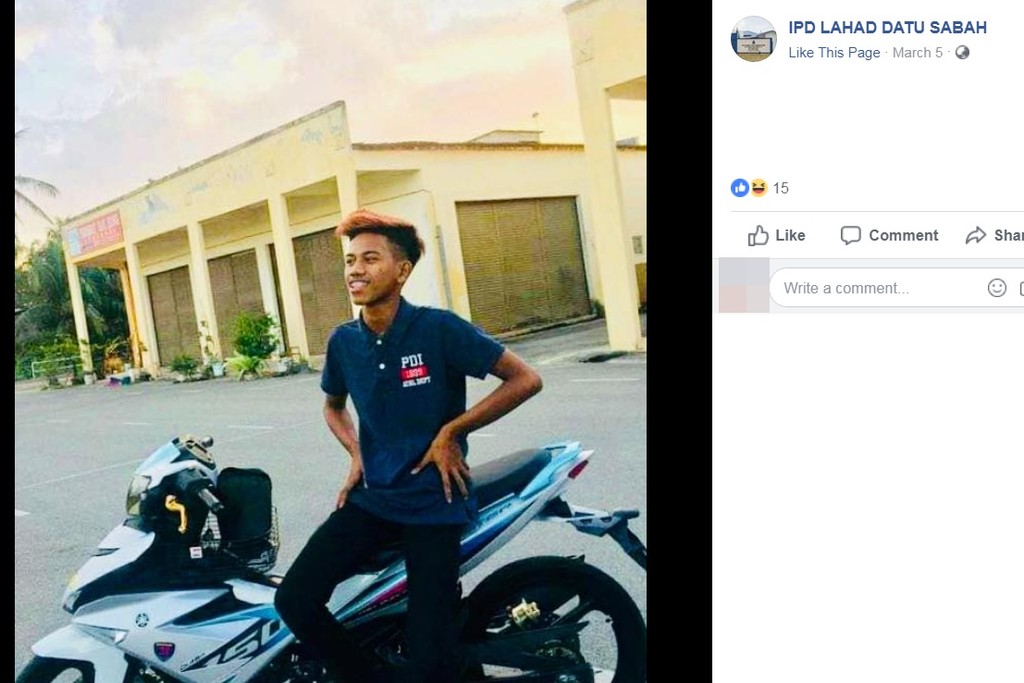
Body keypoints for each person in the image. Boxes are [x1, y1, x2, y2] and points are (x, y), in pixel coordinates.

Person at [274, 208, 543, 683]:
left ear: (401, 271)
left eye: (370, 259)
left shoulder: (438, 329)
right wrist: (356, 452)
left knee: (429, 655)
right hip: (374, 500)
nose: (355, 270)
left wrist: (452, 431)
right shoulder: (343, 342)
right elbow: (333, 406)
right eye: (350, 260)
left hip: (434, 502)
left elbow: (525, 379)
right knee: (294, 599)